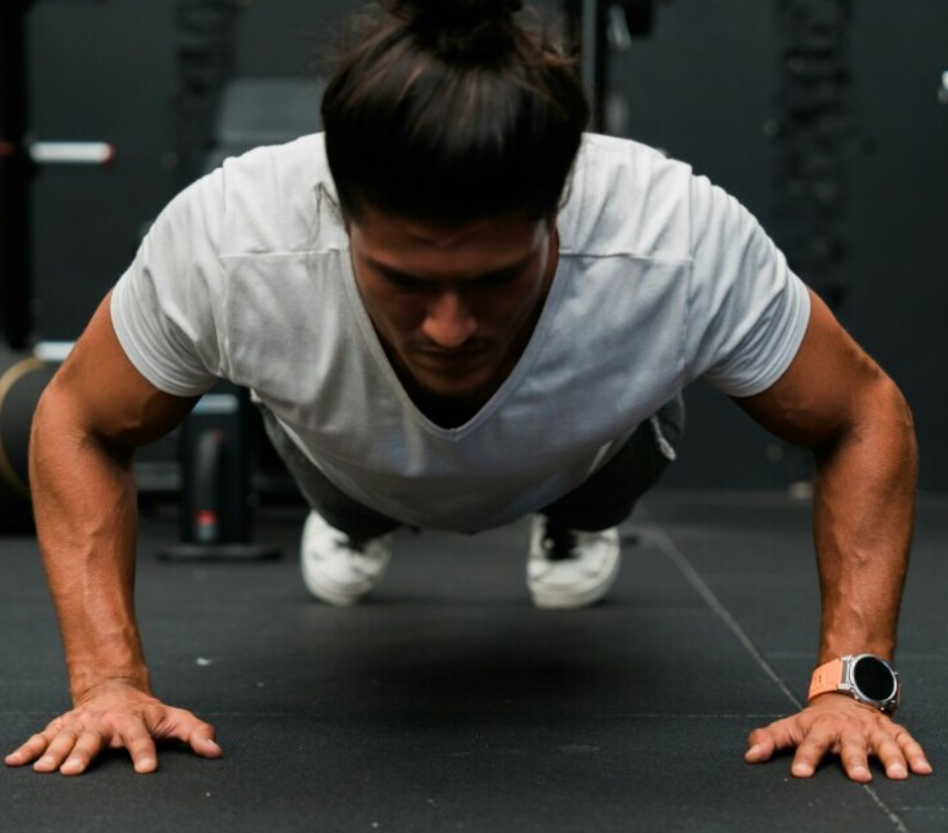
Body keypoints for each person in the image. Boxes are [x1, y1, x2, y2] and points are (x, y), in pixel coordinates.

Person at [4, 0, 931, 783]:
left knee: (610, 454)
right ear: (337, 208)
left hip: (590, 457)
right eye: (406, 282)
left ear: (558, 207)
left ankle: (564, 516)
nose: (450, 327)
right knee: (347, 470)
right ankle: (358, 514)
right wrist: (109, 683)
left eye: (491, 281)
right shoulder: (234, 239)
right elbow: (76, 417)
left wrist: (851, 685)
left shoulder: (675, 237)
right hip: (346, 456)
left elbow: (862, 412)